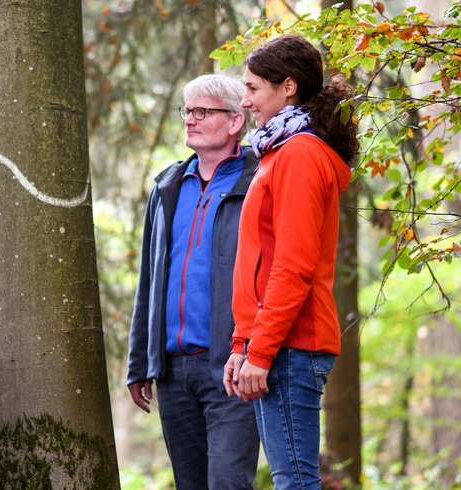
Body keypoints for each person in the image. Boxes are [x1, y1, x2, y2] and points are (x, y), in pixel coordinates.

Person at [223, 34, 359, 490]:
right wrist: (242, 345)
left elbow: (293, 266)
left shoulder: (300, 155)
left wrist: (258, 352)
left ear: (287, 86)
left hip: (292, 345)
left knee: (296, 483)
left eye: (252, 89)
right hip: (275, 342)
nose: (244, 102)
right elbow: (259, 261)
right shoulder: (279, 152)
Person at [126, 74, 260, 489]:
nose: (190, 120)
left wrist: (256, 350)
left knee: (228, 483)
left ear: (236, 121)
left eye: (203, 111)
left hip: (233, 366)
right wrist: (139, 361)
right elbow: (150, 277)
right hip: (173, 371)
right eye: (188, 111)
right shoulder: (167, 185)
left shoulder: (256, 180)